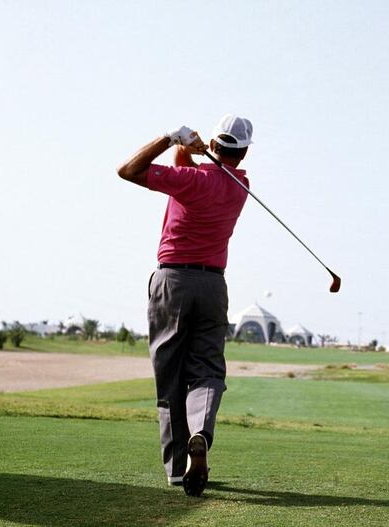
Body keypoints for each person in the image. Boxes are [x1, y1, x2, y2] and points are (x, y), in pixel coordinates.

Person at [117, 114, 253, 497]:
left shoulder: (191, 181)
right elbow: (191, 170)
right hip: (214, 286)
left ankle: (177, 469)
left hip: (173, 281)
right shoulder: (241, 185)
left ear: (213, 145)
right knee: (208, 370)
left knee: (171, 377)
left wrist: (168, 137)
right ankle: (201, 433)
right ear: (242, 154)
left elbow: (128, 170)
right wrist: (189, 149)